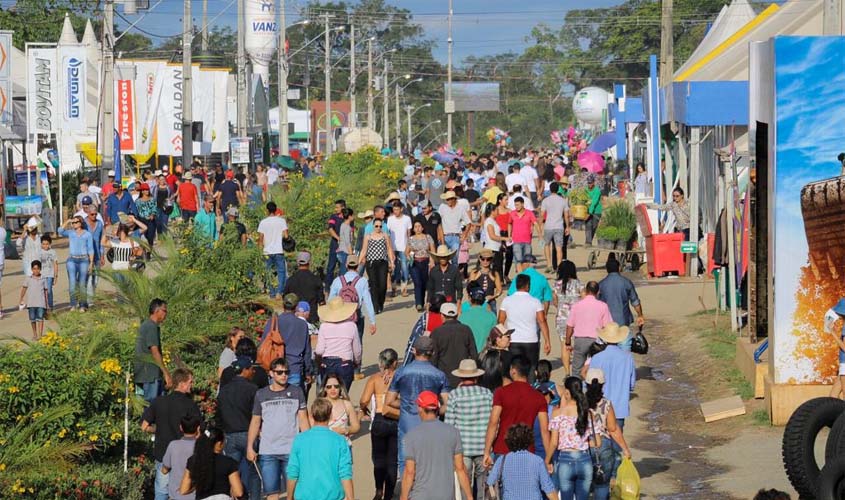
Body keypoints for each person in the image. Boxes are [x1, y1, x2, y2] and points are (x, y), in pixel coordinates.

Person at [246, 357, 310, 500]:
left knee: (293, 493)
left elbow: (303, 420)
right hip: (268, 451)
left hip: (292, 451)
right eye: (279, 372)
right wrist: (250, 447)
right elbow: (255, 421)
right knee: (272, 494)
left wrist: (308, 446)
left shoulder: (297, 392)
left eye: (286, 372)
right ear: (271, 373)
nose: (284, 375)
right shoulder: (261, 394)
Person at [385, 336, 450, 475]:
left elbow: (389, 400)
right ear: (432, 353)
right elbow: (447, 404)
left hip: (407, 424)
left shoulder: (401, 372)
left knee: (405, 462)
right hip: (431, 424)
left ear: (414, 351)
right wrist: (435, 410)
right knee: (428, 463)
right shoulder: (439, 375)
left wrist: (406, 405)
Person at [400, 390, 473, 500]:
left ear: (420, 408)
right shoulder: (453, 432)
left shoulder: (411, 436)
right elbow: (460, 468)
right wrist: (469, 496)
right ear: (437, 409)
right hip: (446, 495)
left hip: (420, 495)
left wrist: (403, 497)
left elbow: (410, 472)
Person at [141, 368, 201, 500]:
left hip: (162, 453)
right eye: (190, 382)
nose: (192, 384)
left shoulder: (158, 401)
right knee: (183, 493)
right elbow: (198, 432)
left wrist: (158, 429)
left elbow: (144, 426)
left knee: (161, 492)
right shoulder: (190, 405)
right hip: (185, 456)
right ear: (182, 383)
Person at [483, 356, 549, 469]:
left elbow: (493, 422)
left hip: (503, 448)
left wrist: (487, 451)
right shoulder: (539, 397)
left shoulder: (501, 392)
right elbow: (544, 430)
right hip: (527, 450)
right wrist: (548, 458)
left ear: (513, 370)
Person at [287, 398, 355, 500]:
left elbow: (293, 471)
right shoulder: (339, 440)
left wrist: (289, 497)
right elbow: (345, 472)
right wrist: (350, 497)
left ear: (311, 416)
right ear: (330, 415)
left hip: (304, 496)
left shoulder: (300, 439)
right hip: (333, 495)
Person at [445, 359, 493, 500]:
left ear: (460, 377)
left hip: (462, 449)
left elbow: (449, 425)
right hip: (484, 448)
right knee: (483, 487)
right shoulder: (487, 394)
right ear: (476, 376)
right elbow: (494, 421)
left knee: (464, 487)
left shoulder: (455, 395)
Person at [217, 355, 261, 500]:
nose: (253, 372)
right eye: (251, 369)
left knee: (232, 473)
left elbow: (219, 415)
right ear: (245, 370)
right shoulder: (252, 389)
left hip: (229, 436)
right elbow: (257, 414)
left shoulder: (224, 390)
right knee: (253, 472)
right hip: (249, 435)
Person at [584, 368, 632, 500]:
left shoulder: (579, 402)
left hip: (583, 446)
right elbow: (613, 429)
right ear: (603, 385)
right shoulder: (606, 404)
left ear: (586, 384)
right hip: (603, 447)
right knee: (602, 485)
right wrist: (625, 449)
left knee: (583, 484)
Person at [360, 349, 400, 500]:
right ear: (395, 363)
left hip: (379, 418)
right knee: (392, 459)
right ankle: (389, 494)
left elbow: (363, 400)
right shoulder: (399, 378)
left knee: (379, 459)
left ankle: (378, 490)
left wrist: (364, 410)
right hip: (396, 418)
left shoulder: (375, 378)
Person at [546, 377, 593, 500]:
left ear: (567, 392)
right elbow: (595, 441)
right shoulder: (587, 413)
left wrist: (547, 460)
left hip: (565, 460)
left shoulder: (557, 413)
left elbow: (554, 442)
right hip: (585, 459)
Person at [498, 274, 551, 379]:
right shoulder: (535, 302)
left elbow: (500, 321)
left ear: (516, 285)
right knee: (531, 369)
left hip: (513, 341)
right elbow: (542, 321)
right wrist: (547, 340)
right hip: (531, 340)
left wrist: (501, 338)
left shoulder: (507, 300)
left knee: (514, 369)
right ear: (528, 286)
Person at [488, 423, 560, 500]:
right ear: (529, 440)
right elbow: (549, 490)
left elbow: (490, 483)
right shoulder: (538, 461)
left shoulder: (502, 460)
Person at [589, 323, 636, 430]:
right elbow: (631, 384)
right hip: (619, 407)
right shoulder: (627, 358)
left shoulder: (597, 357)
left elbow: (591, 381)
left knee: (601, 439)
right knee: (617, 438)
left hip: (600, 405)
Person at [262, 294, 313, 392]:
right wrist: (307, 372)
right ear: (296, 307)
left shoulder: (273, 322)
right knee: (293, 402)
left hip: (275, 368)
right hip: (294, 368)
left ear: (283, 305)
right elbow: (307, 351)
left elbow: (264, 344)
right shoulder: (302, 325)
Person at [179, 426, 244, 500]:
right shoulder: (229, 462)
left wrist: (195, 487)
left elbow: (183, 490)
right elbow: (239, 492)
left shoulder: (193, 460)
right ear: (219, 444)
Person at [565, 281, 611, 378]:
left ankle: (576, 389)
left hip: (580, 340)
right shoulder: (603, 306)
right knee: (595, 368)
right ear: (598, 292)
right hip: (597, 341)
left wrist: (568, 342)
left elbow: (570, 325)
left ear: (585, 291)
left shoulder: (577, 305)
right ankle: (593, 389)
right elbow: (607, 326)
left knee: (577, 369)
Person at [315, 298, 362, 391]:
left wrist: (318, 362)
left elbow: (319, 350)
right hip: (345, 363)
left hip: (327, 363)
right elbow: (357, 350)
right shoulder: (352, 326)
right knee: (343, 394)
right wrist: (357, 362)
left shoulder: (324, 326)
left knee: (328, 394)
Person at [431, 302, 479, 389]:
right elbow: (474, 354)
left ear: (442, 315)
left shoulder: (437, 332)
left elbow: (433, 358)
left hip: (444, 377)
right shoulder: (466, 329)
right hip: (463, 376)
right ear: (456, 315)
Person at [598, 258, 645, 346]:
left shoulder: (601, 284)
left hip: (607, 324)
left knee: (609, 350)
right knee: (624, 350)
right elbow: (635, 302)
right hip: (623, 322)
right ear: (619, 268)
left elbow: (597, 305)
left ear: (606, 269)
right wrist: (640, 315)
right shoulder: (626, 282)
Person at [134, 298, 171, 403]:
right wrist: (166, 373)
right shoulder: (151, 326)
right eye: (164, 310)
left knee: (143, 408)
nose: (166, 314)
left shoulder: (146, 325)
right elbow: (154, 352)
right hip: (150, 375)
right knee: (151, 408)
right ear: (156, 310)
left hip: (141, 375)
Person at [359, 215, 396, 314]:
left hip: (382, 262)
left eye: (380, 226)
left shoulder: (385, 236)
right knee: (373, 284)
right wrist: (358, 262)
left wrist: (392, 262)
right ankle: (375, 306)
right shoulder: (368, 236)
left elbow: (389, 249)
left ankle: (380, 302)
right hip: (371, 263)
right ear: (373, 226)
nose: (378, 228)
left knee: (383, 285)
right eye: (376, 226)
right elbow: (364, 250)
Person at [160, 414, 201, 500]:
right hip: (196, 495)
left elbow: (164, 470)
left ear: (181, 428)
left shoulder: (173, 445)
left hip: (176, 495)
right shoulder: (202, 447)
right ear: (198, 428)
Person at [57, 216, 94, 311]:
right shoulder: (70, 233)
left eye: (76, 222)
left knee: (82, 283)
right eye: (73, 223)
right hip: (72, 260)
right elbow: (60, 231)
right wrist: (68, 221)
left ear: (81, 223)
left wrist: (91, 263)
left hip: (84, 260)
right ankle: (73, 304)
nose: (74, 224)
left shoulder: (87, 235)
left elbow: (90, 249)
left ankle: (82, 305)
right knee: (72, 283)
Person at [554, 261, 583, 374]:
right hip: (577, 319)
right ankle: (578, 371)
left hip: (561, 318)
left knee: (564, 346)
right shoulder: (579, 284)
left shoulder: (556, 285)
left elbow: (555, 303)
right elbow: (584, 299)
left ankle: (567, 372)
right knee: (577, 346)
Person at [257, 202, 290, 299]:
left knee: (268, 272)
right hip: (278, 250)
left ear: (267, 210)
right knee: (281, 272)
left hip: (267, 251)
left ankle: (271, 292)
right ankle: (279, 292)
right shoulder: (281, 221)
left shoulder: (263, 222)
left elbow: (261, 238)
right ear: (276, 210)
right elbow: (286, 235)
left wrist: (259, 251)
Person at [317, 373, 361, 445]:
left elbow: (356, 427)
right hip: (324, 447)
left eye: (336, 386)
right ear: (324, 388)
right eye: (329, 387)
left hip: (343, 446)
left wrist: (344, 430)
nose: (333, 389)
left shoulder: (347, 404)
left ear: (340, 387)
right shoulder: (319, 405)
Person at [284, 251, 325, 324]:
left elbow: (285, 299)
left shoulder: (291, 280)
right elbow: (321, 301)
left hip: (295, 318)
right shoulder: (316, 279)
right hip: (312, 318)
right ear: (309, 262)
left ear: (297, 262)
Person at [540, 182, 571, 272]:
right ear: (558, 190)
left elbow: (542, 215)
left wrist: (540, 226)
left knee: (547, 245)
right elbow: (566, 215)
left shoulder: (546, 200)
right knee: (559, 247)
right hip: (559, 226)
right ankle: (559, 266)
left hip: (548, 226)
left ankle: (549, 264)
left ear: (550, 189)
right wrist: (567, 227)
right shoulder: (562, 201)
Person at [407, 220, 437, 312]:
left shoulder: (428, 237)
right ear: (413, 229)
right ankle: (418, 303)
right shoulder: (411, 239)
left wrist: (432, 262)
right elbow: (406, 252)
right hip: (415, 263)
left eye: (419, 226)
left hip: (426, 262)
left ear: (422, 228)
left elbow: (433, 251)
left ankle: (423, 301)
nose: (418, 228)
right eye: (415, 227)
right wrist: (410, 257)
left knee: (424, 284)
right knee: (417, 282)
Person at [387, 202, 413, 297]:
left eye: (397, 209)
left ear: (401, 209)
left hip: (403, 247)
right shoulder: (390, 219)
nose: (395, 212)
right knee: (394, 268)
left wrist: (408, 247)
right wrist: (389, 247)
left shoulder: (407, 219)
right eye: (394, 210)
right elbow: (388, 234)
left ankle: (404, 288)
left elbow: (409, 234)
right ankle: (394, 288)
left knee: (404, 267)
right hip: (393, 247)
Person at [477, 324, 514, 391]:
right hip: (501, 393)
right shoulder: (507, 356)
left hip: (483, 391)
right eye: (508, 336)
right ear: (498, 339)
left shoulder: (481, 354)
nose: (510, 339)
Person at [438, 191, 471, 265]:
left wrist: (464, 235)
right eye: (447, 199)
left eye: (449, 199)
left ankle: (454, 275)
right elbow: (438, 223)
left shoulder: (460, 209)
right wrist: (439, 236)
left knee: (455, 259)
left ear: (454, 199)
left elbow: (469, 223)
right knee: (442, 258)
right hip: (444, 236)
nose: (448, 201)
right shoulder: (442, 207)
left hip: (455, 236)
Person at [461, 288, 498, 352]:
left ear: (470, 299)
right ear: (483, 300)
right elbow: (495, 337)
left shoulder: (463, 316)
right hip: (485, 354)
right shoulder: (492, 316)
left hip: (469, 354)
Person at [508, 196, 540, 272]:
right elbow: (509, 224)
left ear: (522, 204)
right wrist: (509, 235)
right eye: (515, 205)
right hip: (516, 241)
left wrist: (540, 235)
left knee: (527, 260)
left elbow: (535, 223)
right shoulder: (512, 213)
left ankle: (526, 274)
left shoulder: (529, 213)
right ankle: (520, 275)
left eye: (518, 205)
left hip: (527, 241)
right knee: (518, 260)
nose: (516, 207)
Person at [19, 260, 48, 340]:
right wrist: (21, 298)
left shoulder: (43, 279)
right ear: (31, 269)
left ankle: (40, 335)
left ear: (40, 269)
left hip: (41, 303)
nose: (36, 270)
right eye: (34, 269)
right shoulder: (28, 279)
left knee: (40, 319)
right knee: (32, 320)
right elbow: (24, 289)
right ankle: (35, 334)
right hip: (31, 303)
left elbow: (46, 291)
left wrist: (47, 304)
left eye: (38, 269)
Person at [325, 199, 347, 291]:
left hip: (345, 246)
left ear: (343, 207)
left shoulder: (348, 217)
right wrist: (338, 238)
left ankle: (342, 288)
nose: (336, 209)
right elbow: (330, 229)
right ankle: (327, 288)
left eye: (337, 207)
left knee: (343, 268)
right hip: (334, 245)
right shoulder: (333, 217)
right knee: (331, 267)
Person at [38, 235, 58, 312]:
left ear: (50, 244)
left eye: (47, 244)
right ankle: (43, 307)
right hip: (41, 275)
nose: (45, 246)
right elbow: (37, 264)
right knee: (42, 291)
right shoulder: (39, 252)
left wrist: (56, 276)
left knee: (49, 290)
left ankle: (50, 306)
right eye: (43, 244)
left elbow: (55, 264)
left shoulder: (53, 252)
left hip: (50, 274)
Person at [585, 174, 602, 246]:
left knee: (594, 226)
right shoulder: (585, 190)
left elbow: (594, 202)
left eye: (591, 183)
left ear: (594, 182)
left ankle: (589, 240)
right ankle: (588, 242)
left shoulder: (597, 190)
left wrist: (590, 212)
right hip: (588, 210)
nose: (589, 184)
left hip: (596, 211)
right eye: (588, 183)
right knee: (588, 225)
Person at [336, 207, 356, 272]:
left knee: (342, 270)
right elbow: (348, 242)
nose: (353, 216)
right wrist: (351, 255)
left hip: (341, 251)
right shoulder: (347, 227)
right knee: (344, 272)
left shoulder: (343, 225)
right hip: (345, 252)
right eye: (352, 215)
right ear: (349, 216)